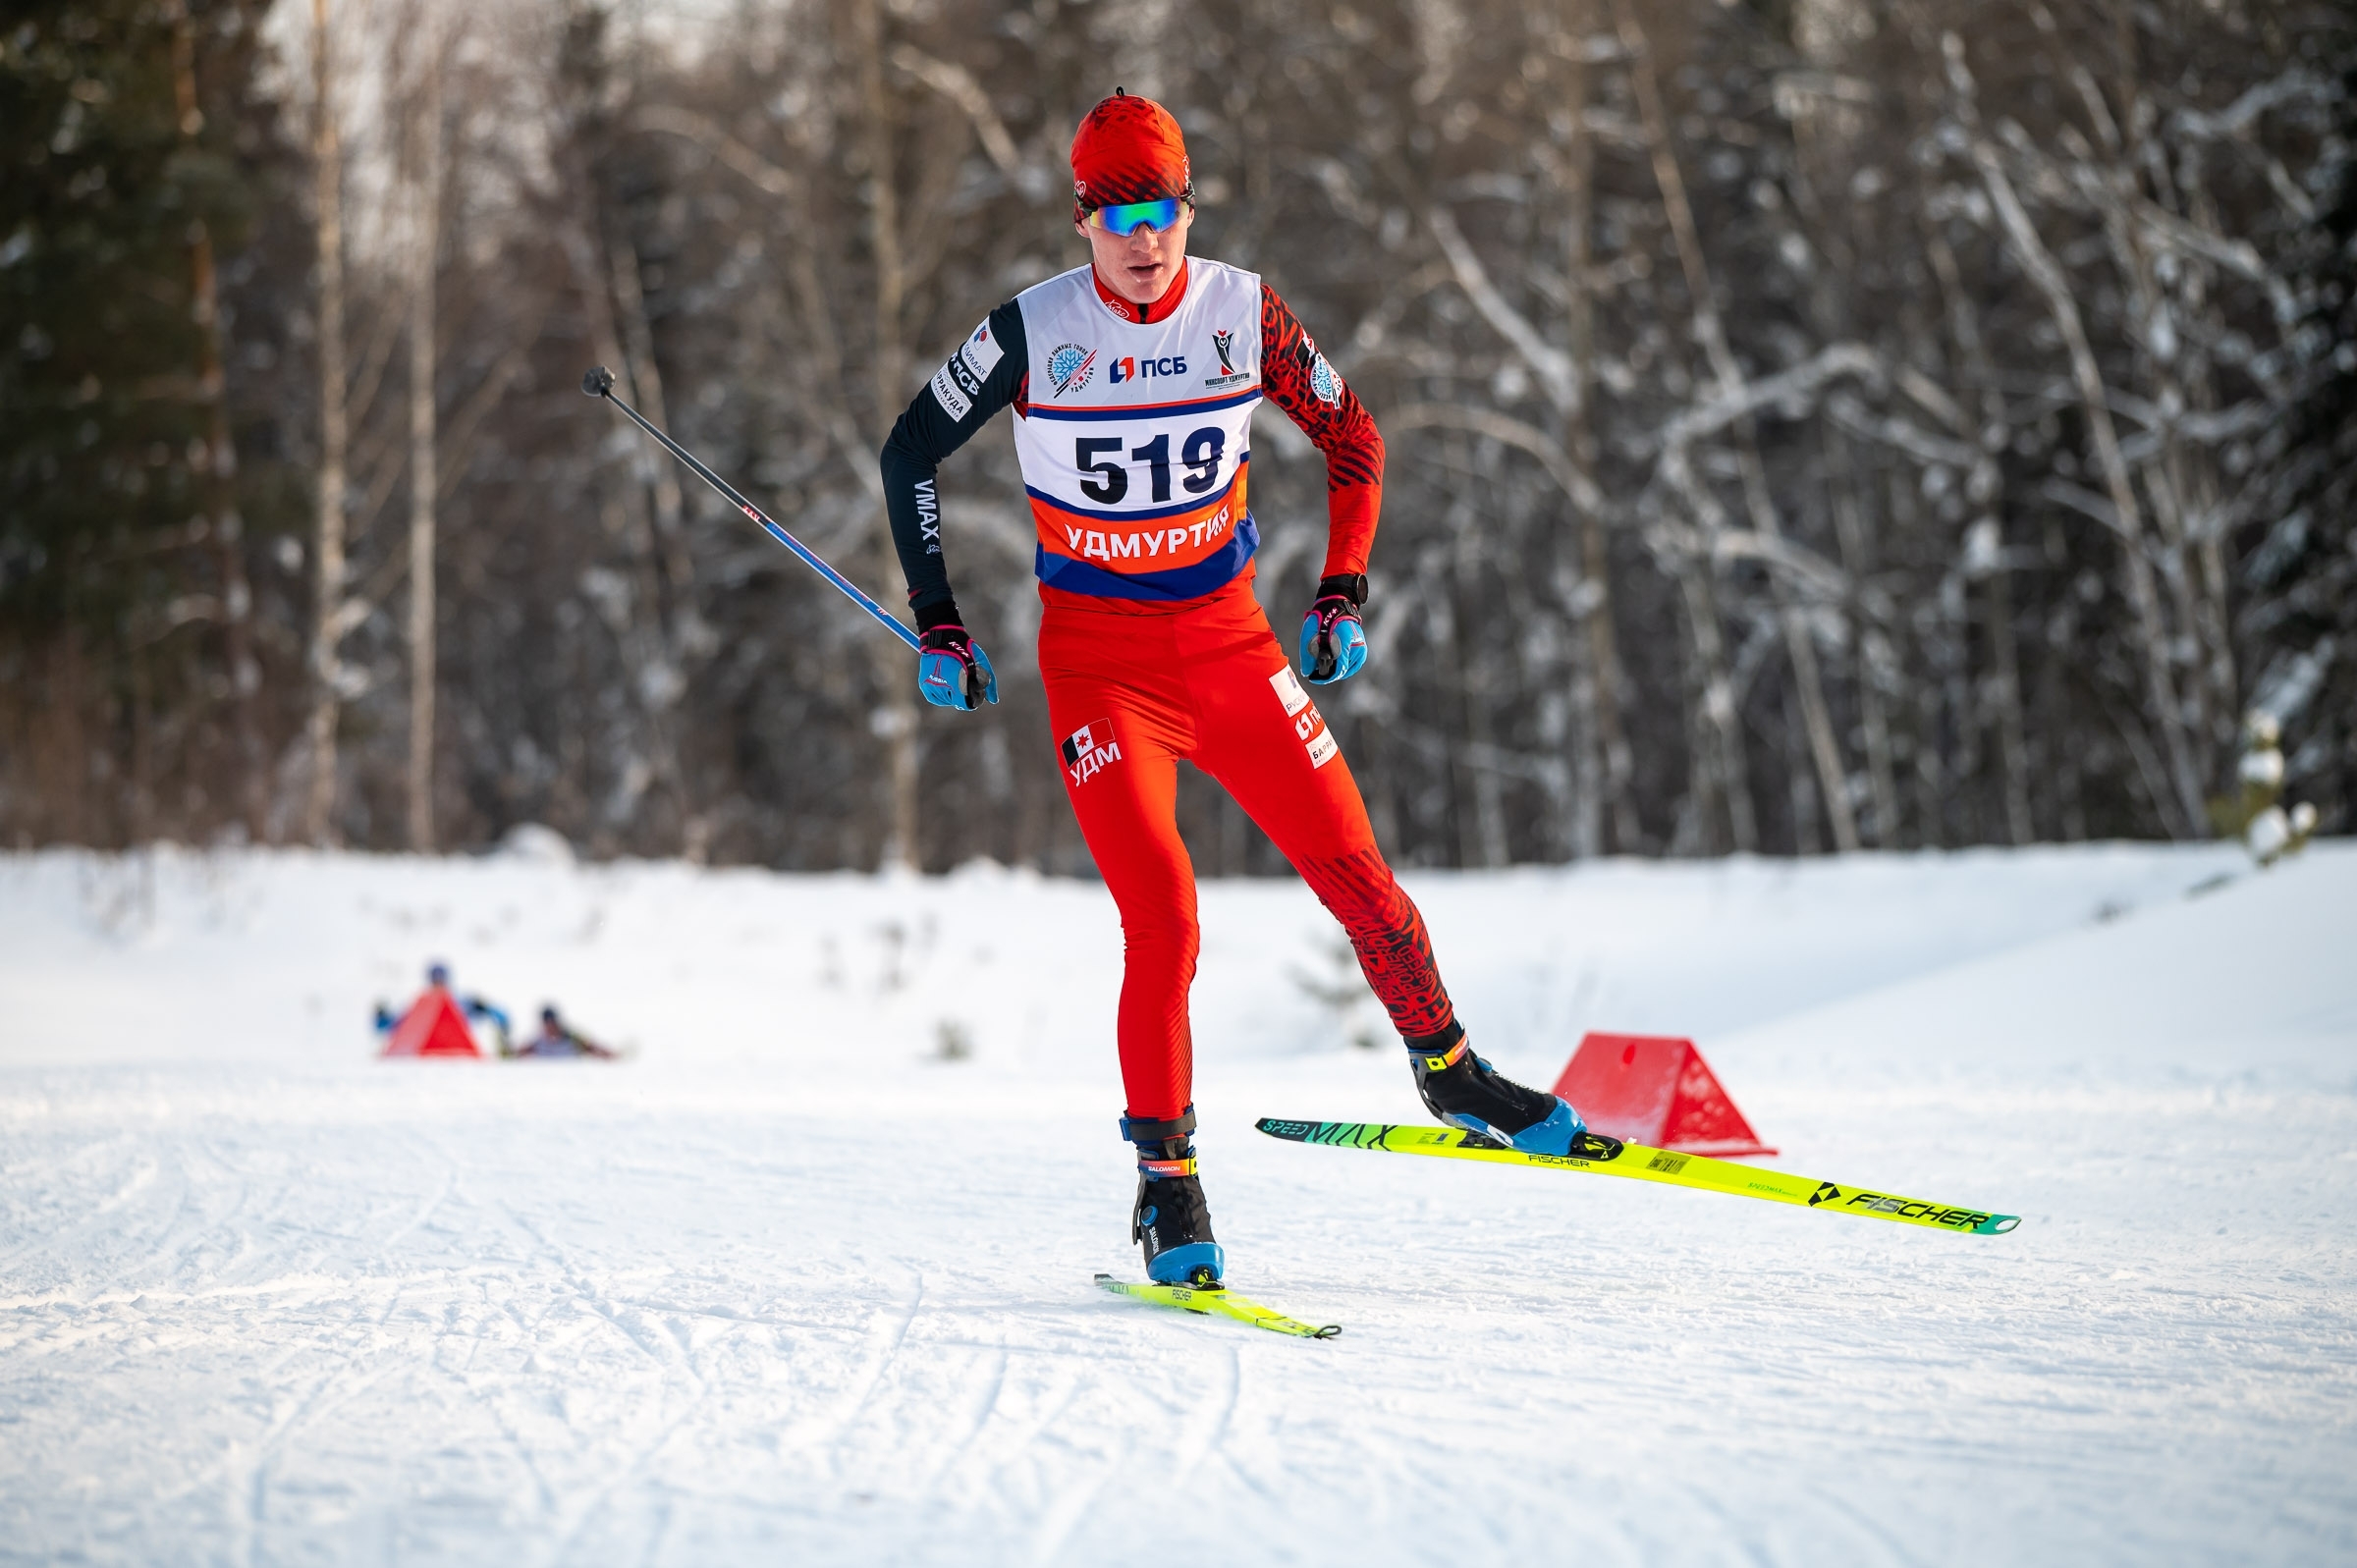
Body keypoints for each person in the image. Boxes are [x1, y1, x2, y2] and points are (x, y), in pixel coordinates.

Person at [879, 89, 1583, 1288]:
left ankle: (1452, 1071)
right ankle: (1167, 1188)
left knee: (1360, 874)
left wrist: (1341, 592)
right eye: (1114, 215)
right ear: (1081, 221)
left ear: (1188, 209)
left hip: (1231, 647)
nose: (1143, 239)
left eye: (1161, 211)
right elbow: (910, 452)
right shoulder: (1030, 331)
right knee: (1165, 914)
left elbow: (1354, 440)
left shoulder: (1241, 312)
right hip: (1102, 670)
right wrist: (939, 620)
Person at [517, 1004, 620, 1059]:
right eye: (547, 1024)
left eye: (552, 1023)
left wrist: (611, 1056)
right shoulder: (537, 1042)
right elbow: (517, 1054)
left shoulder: (572, 1038)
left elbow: (592, 1048)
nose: (550, 1028)